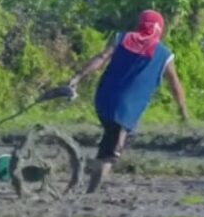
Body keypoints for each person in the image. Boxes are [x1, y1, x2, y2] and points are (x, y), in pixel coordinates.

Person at [68, 10, 190, 193]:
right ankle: (90, 186)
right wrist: (183, 111)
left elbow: (101, 58)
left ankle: (94, 171)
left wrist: (78, 77)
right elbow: (175, 85)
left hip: (103, 101)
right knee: (110, 155)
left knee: (116, 139)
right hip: (125, 110)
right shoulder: (164, 54)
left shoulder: (122, 38)